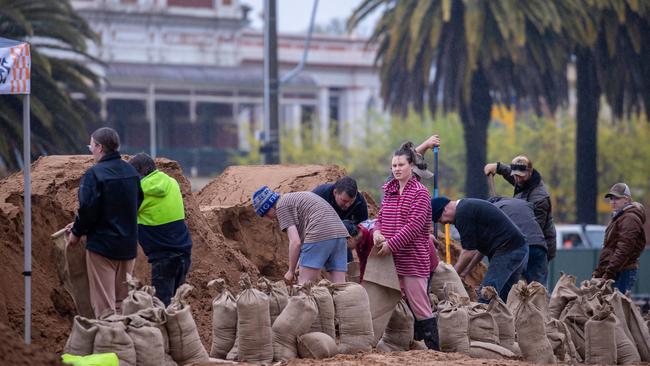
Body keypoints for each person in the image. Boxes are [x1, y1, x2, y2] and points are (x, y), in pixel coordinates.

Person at [66, 127, 143, 318]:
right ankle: (124, 343)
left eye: (91, 145)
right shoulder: (131, 171)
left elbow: (88, 210)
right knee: (122, 303)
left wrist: (76, 232)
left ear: (99, 147)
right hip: (127, 248)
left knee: (105, 305)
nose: (90, 149)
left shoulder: (95, 174)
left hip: (103, 248)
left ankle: (110, 344)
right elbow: (138, 201)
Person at [372, 142, 438, 350]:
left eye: (401, 165)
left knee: (420, 305)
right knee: (389, 302)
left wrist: (391, 244)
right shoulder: (389, 191)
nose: (397, 169)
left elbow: (414, 227)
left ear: (411, 167)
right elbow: (379, 217)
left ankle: (434, 349)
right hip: (390, 260)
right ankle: (406, 344)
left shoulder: (420, 193)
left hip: (413, 258)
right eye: (394, 165)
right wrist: (377, 231)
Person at [432, 197, 528, 303]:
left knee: (486, 294)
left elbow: (469, 251)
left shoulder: (462, 213)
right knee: (504, 297)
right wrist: (464, 273)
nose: (445, 223)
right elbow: (479, 250)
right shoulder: (467, 207)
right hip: (517, 247)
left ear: (444, 210)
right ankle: (503, 319)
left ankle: (481, 319)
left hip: (508, 249)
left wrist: (452, 274)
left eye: (440, 219)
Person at [128, 153, 193, 306]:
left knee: (162, 307)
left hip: (164, 258)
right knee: (176, 304)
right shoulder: (172, 182)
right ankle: (180, 329)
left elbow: (121, 215)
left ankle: (165, 330)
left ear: (140, 173)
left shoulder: (140, 192)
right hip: (184, 253)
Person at [252, 187, 349, 285]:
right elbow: (303, 246)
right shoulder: (294, 199)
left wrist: (291, 271)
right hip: (340, 232)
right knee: (339, 287)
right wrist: (298, 266)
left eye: (264, 214)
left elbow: (295, 242)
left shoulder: (281, 206)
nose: (267, 218)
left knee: (304, 286)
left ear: (269, 207)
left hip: (320, 231)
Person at [484, 156, 556, 266]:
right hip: (523, 245)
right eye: (515, 176)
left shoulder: (539, 198)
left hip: (539, 248)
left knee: (535, 283)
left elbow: (535, 230)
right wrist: (498, 167)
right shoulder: (524, 181)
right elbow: (510, 172)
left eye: (520, 176)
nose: (517, 179)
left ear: (530, 172)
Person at [593, 183, 646, 294]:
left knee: (616, 309)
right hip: (617, 271)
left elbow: (623, 250)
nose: (612, 201)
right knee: (611, 308)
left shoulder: (629, 218)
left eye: (616, 198)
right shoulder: (620, 217)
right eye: (611, 198)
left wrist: (608, 274)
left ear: (626, 199)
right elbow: (609, 249)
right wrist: (598, 273)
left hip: (622, 272)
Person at [488, 197, 549, 287]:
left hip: (519, 247)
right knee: (540, 289)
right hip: (538, 245)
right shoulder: (523, 203)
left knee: (512, 287)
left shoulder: (493, 209)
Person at [313, 176, 368, 262]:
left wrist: (355, 240)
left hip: (344, 239)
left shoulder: (359, 201)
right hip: (319, 233)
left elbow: (365, 225)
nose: (348, 205)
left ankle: (347, 265)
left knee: (347, 227)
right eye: (345, 201)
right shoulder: (320, 195)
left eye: (351, 201)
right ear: (335, 193)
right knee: (342, 227)